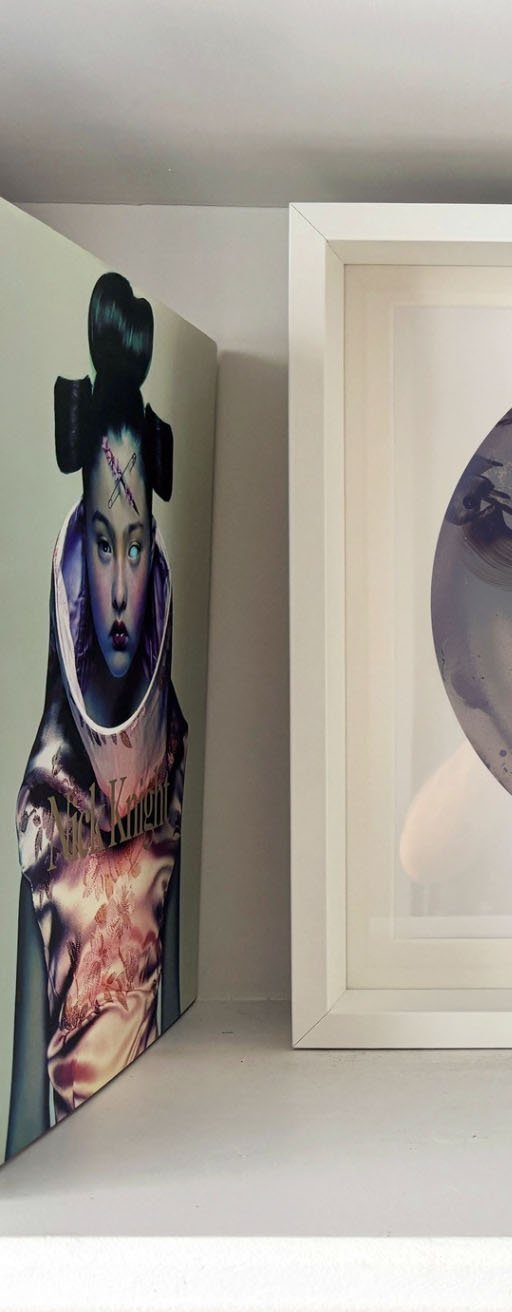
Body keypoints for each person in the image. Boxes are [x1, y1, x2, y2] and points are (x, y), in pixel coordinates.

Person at [6, 273, 186, 1159]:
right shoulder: (45, 800)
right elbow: (22, 1094)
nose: (120, 592)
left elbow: (176, 988)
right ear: (77, 556)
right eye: (105, 546)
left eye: (138, 546)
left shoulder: (174, 754)